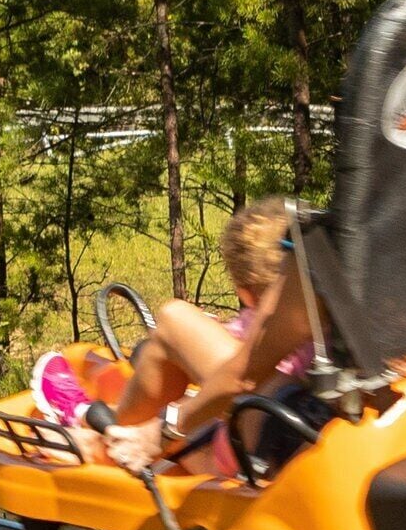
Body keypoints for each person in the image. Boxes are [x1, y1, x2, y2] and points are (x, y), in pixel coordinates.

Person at [102, 195, 317, 473]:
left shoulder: (284, 311)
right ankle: (113, 429)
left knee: (174, 318)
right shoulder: (336, 307)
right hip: (302, 425)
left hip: (268, 436)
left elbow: (242, 376)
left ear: (245, 292)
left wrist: (166, 429)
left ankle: (112, 437)